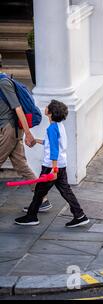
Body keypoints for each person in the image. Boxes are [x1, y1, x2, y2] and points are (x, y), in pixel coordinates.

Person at [15, 100, 89, 227]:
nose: (46, 107)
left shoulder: (51, 129)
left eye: (48, 106)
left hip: (51, 166)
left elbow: (54, 149)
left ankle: (32, 216)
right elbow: (52, 144)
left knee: (39, 191)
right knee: (65, 191)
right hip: (61, 164)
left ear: (50, 113)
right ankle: (80, 215)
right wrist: (36, 141)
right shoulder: (58, 126)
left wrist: (53, 170)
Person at [0, 75, 52, 212]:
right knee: (21, 165)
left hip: (9, 130)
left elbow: (18, 109)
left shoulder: (3, 82)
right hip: (10, 129)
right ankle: (42, 199)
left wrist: (28, 134)